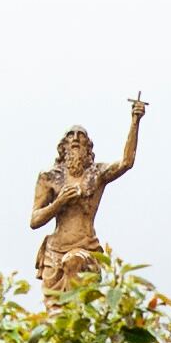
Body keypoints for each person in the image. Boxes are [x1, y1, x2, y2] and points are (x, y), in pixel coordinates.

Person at [30, 98, 147, 299]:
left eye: (80, 136)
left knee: (75, 275)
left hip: (84, 248)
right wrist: (59, 203)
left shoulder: (96, 174)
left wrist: (135, 121)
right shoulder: (49, 177)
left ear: (87, 147)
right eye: (70, 136)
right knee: (55, 318)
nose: (75, 138)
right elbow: (34, 220)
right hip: (54, 253)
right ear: (63, 146)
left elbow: (126, 162)